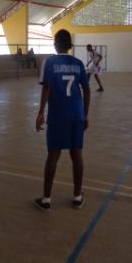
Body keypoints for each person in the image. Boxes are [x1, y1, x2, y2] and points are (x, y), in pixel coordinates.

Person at [34, 29, 90, 211]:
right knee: (77, 155)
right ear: (70, 45)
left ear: (55, 43)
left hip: (58, 116)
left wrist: (41, 112)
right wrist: (86, 114)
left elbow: (46, 88)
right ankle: (77, 196)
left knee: (53, 155)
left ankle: (46, 199)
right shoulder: (79, 63)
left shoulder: (49, 62)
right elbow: (87, 90)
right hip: (76, 114)